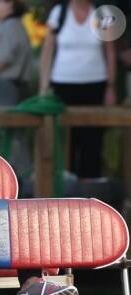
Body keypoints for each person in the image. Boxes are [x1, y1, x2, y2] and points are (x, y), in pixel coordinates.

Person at [38, 0, 117, 179]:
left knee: (93, 139)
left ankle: (92, 188)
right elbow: (47, 50)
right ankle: (67, 188)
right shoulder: (59, 13)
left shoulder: (102, 13)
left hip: (95, 84)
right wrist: (43, 86)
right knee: (66, 138)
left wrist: (110, 86)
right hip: (63, 84)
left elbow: (110, 51)